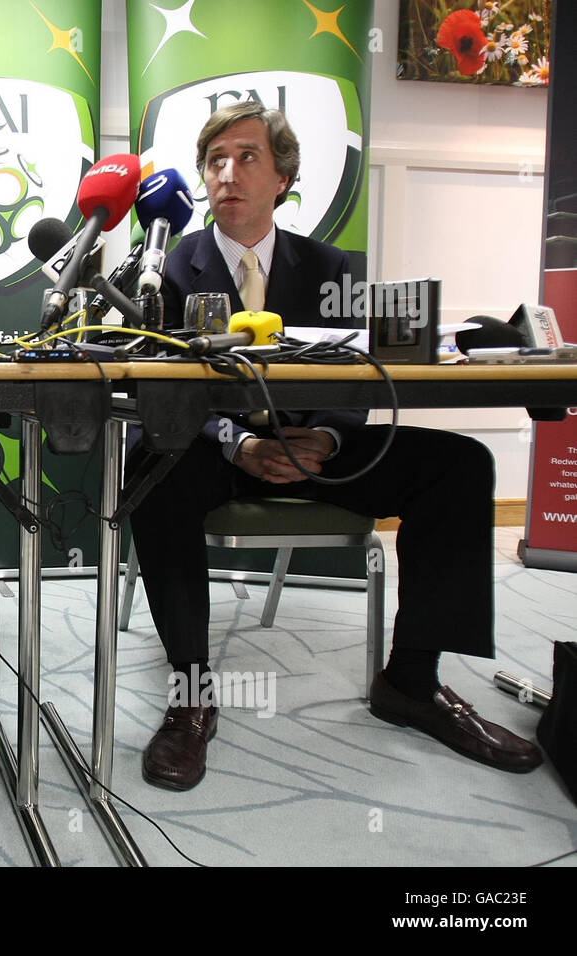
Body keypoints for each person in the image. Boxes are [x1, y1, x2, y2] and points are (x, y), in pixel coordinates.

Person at [128, 101, 541, 791]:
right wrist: (237, 445)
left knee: (460, 466)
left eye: (247, 157)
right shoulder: (167, 270)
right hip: (216, 455)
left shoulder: (333, 266)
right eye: (215, 161)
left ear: (283, 179)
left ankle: (411, 680)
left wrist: (321, 435)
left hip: (316, 447)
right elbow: (159, 396)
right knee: (152, 468)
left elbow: (362, 377)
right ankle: (192, 693)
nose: (227, 172)